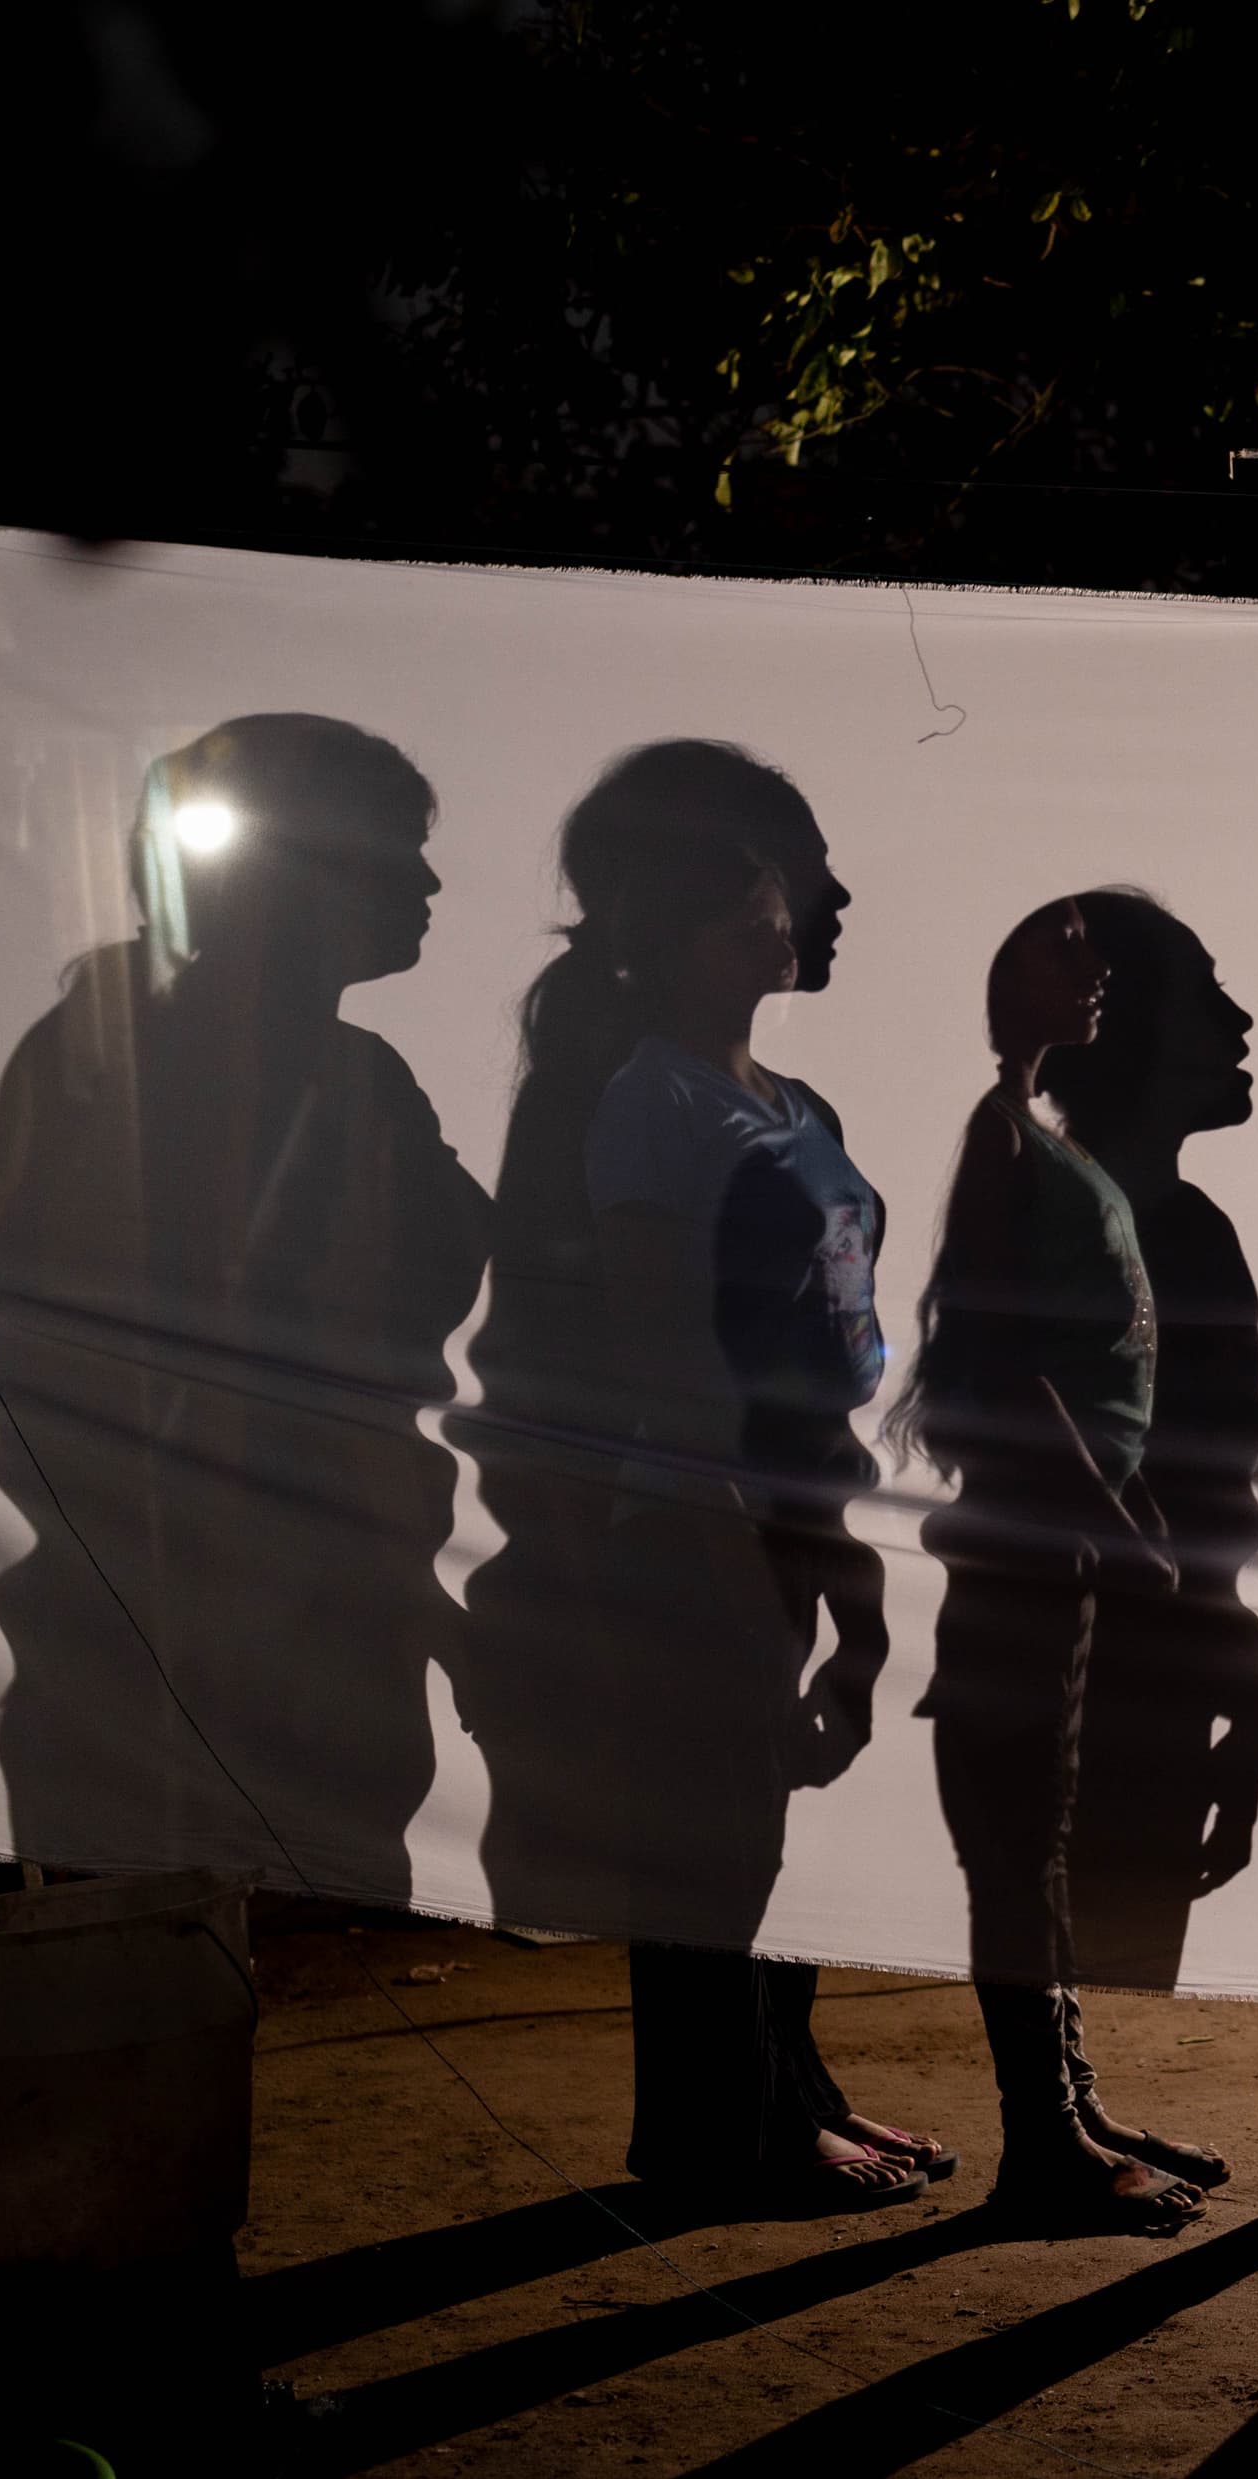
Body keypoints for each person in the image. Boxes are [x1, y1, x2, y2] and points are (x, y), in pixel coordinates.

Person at [460, 738, 942, 2214]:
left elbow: (815, 1359)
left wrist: (845, 1578)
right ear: (715, 895)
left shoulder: (792, 1104)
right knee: (708, 1834)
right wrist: (733, 1550)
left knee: (756, 1821)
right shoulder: (642, 1105)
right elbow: (668, 1367)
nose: (836, 896)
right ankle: (718, 2125)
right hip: (693, 1529)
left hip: (785, 1516)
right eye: (800, 873)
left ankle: (777, 2094)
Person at [0, 714, 489, 1904]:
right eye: (394, 848)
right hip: (189, 1623)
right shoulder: (123, 1067)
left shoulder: (354, 1078)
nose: (427, 880)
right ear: (299, 868)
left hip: (320, 1606)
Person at [894, 897, 1220, 2234]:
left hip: (1053, 1541)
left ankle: (1069, 2109)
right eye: (1061, 946)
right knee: (1017, 1849)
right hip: (1032, 1541)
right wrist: (1114, 1518)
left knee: (1040, 1845)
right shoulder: (998, 1133)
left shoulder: (1032, 1131)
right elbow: (1000, 1360)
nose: (1091, 973)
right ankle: (1043, 2139)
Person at [1034, 893, 1258, 1995]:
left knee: (1121, 1970)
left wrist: (1240, 1674)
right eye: (1205, 998)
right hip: (1084, 1679)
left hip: (1168, 1675)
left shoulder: (1195, 1229)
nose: (1240, 1023)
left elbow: (1211, 1492)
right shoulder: (1059, 1216)